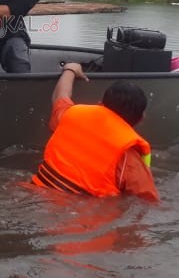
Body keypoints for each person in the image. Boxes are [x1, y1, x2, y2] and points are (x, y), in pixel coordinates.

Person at [32, 62, 159, 201]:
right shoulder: (128, 158)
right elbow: (148, 201)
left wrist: (71, 69)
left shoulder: (70, 115)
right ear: (141, 119)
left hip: (36, 194)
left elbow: (59, 96)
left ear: (100, 104)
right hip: (80, 216)